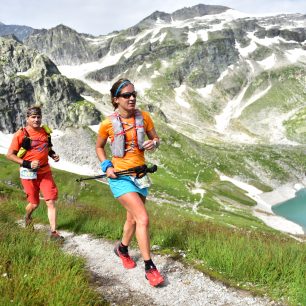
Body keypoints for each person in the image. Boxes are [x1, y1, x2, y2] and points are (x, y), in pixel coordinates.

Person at [95, 78, 164, 287]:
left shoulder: (144, 117)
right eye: (126, 95)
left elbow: (157, 139)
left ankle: (122, 249)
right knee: (142, 218)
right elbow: (99, 147)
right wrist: (107, 166)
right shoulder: (107, 124)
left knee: (132, 220)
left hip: (140, 176)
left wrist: (154, 143)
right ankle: (150, 267)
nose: (132, 98)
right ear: (116, 99)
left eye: (134, 94)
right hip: (120, 178)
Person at [6, 106, 63, 241]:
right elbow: (9, 155)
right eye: (33, 117)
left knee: (50, 201)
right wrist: (27, 163)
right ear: (27, 118)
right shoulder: (22, 133)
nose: (36, 119)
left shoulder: (45, 132)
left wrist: (53, 155)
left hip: (44, 171)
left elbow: (47, 148)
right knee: (34, 203)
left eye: (38, 117)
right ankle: (27, 217)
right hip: (28, 173)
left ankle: (54, 232)